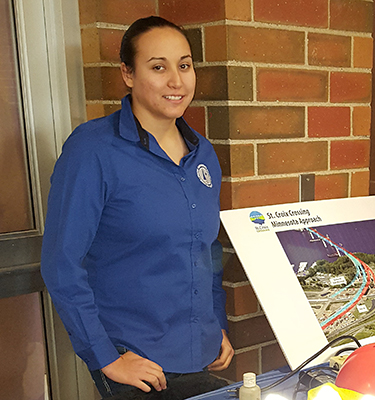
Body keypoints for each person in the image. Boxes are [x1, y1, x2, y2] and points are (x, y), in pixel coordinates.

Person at [41, 16, 233, 399]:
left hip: (200, 352)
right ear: (128, 74)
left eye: (184, 65)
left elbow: (206, 250)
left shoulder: (203, 154)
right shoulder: (93, 150)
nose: (176, 81)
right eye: (158, 67)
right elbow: (61, 262)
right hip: (137, 362)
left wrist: (215, 325)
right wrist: (106, 358)